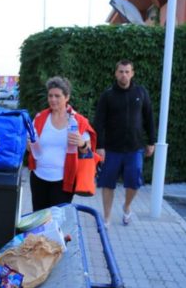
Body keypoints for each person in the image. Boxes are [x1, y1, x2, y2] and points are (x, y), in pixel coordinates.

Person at [94, 59, 156, 228]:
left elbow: (149, 117)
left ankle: (127, 206)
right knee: (107, 183)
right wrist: (99, 146)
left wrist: (151, 141)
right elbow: (99, 122)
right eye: (121, 71)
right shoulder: (107, 95)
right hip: (111, 149)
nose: (124, 75)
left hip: (135, 149)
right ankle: (106, 217)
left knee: (135, 183)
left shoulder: (141, 92)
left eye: (127, 71)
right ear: (116, 73)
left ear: (132, 73)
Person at [27, 76, 97, 211]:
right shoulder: (40, 118)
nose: (53, 99)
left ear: (67, 97)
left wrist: (81, 144)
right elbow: (29, 145)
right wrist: (29, 145)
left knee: (58, 221)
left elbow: (88, 152)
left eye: (57, 96)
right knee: (39, 218)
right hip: (38, 177)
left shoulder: (78, 121)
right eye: (50, 96)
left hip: (63, 180)